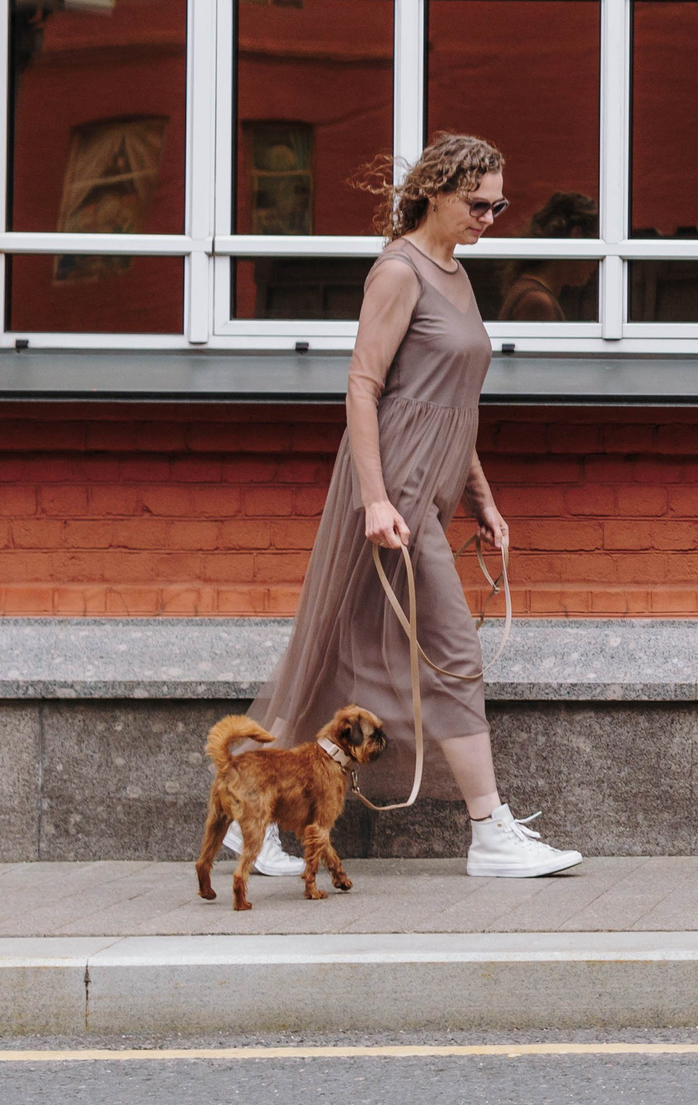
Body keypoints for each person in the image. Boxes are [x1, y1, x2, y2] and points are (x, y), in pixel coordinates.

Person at [225, 133, 583, 879]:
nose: (491, 216)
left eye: (500, 204)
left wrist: (481, 496)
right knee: (452, 649)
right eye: (477, 203)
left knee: (329, 651)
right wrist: (376, 497)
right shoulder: (399, 269)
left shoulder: (456, 273)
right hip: (394, 491)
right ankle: (489, 833)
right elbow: (363, 384)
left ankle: (242, 821)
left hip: (431, 486)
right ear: (435, 194)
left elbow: (453, 402)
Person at [496, 191, 599, 323]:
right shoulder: (537, 302)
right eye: (595, 245)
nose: (597, 264)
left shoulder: (530, 291)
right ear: (576, 236)